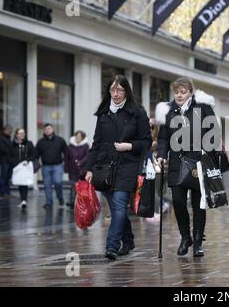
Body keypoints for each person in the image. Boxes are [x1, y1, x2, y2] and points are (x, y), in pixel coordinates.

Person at [85, 75, 151, 260]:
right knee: (116, 209)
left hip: (127, 166)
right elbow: (96, 143)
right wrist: (89, 169)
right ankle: (128, 240)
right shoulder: (104, 113)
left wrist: (129, 146)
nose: (116, 93)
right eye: (113, 89)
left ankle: (111, 246)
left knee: (120, 204)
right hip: (104, 168)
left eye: (120, 90)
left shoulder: (137, 112)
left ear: (126, 91)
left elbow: (146, 141)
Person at [156, 77, 219, 258]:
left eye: (183, 92)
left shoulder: (202, 107)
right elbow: (163, 138)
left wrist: (207, 149)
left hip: (198, 161)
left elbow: (213, 131)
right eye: (176, 92)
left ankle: (198, 242)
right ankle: (186, 237)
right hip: (177, 161)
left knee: (199, 203)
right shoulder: (169, 111)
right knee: (177, 201)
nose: (179, 95)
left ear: (190, 92)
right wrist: (161, 155)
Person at [36, 124, 68, 209]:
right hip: (45, 167)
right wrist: (35, 163)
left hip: (58, 165)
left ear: (52, 129)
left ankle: (60, 197)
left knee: (58, 182)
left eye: (49, 128)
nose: (47, 130)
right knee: (47, 185)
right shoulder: (40, 142)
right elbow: (36, 154)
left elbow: (66, 151)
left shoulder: (60, 140)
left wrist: (65, 161)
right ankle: (49, 202)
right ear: (44, 131)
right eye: (46, 129)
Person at [10, 128, 36, 209]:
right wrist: (14, 163)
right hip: (17, 167)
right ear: (16, 134)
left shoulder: (29, 143)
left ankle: (24, 200)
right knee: (20, 183)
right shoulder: (13, 144)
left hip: (26, 166)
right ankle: (23, 200)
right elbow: (10, 155)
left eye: (23, 133)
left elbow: (34, 153)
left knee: (24, 184)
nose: (22, 134)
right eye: (20, 133)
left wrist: (28, 160)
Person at [64, 130, 89, 209]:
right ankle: (72, 201)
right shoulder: (70, 145)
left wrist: (80, 162)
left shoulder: (86, 146)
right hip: (72, 168)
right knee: (73, 185)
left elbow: (87, 156)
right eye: (76, 136)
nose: (77, 138)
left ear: (82, 138)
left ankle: (80, 201)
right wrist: (66, 167)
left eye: (79, 136)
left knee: (81, 186)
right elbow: (67, 157)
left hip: (82, 169)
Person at [0, 124, 13, 200]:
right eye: (9, 130)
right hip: (4, 161)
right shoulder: (0, 138)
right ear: (5, 130)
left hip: (9, 161)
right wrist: (11, 152)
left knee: (8, 178)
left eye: (11, 130)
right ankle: (2, 193)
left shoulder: (8, 138)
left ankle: (7, 193)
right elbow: (2, 149)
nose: (11, 132)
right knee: (3, 177)